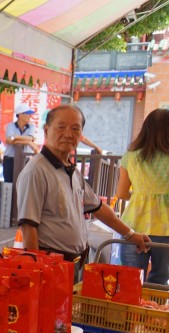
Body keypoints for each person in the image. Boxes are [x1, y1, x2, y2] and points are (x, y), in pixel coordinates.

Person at [16, 104, 149, 283]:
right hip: (51, 268)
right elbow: (28, 227)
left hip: (75, 265)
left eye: (75, 129)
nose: (69, 134)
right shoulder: (36, 171)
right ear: (47, 130)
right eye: (61, 127)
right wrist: (38, 272)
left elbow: (99, 208)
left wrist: (131, 235)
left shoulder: (71, 170)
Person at [115, 108, 169, 285]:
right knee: (160, 280)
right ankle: (157, 312)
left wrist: (140, 196)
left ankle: (132, 313)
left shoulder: (131, 156)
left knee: (132, 281)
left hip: (134, 226)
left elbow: (121, 193)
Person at [3, 104, 38, 183]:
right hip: (10, 159)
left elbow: (30, 137)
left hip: (25, 160)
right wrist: (28, 142)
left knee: (24, 183)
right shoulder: (10, 126)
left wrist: (15, 137)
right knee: (8, 183)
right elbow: (9, 141)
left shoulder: (32, 126)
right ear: (20, 115)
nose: (30, 116)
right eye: (28, 114)